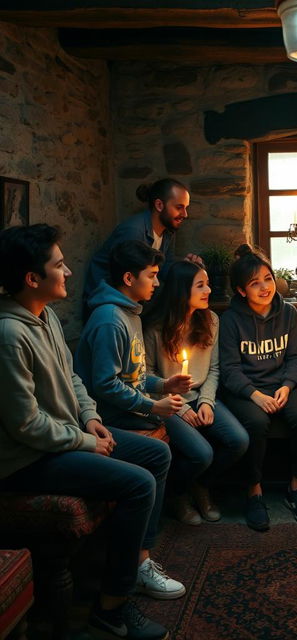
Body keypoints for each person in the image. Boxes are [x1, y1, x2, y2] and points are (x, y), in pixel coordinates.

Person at [0, 225, 181, 640]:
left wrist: (89, 418)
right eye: (59, 265)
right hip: (27, 459)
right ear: (32, 278)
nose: (68, 273)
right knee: (137, 483)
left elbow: (73, 379)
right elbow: (25, 425)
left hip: (66, 435)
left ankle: (136, 563)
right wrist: (87, 442)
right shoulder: (10, 334)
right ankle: (112, 608)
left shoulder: (43, 316)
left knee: (158, 454)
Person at [75, 241, 213, 530]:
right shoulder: (110, 320)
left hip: (135, 404)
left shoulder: (131, 312)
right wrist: (153, 405)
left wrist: (164, 385)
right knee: (184, 452)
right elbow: (106, 385)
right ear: (128, 278)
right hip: (108, 415)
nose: (157, 282)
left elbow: (134, 376)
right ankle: (148, 538)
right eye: (151, 275)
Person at [219, 244, 297, 531]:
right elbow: (230, 370)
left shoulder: (288, 313)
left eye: (268, 279)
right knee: (256, 422)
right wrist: (255, 395)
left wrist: (288, 386)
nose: (264, 287)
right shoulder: (231, 320)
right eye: (254, 283)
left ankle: (296, 488)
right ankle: (254, 492)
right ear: (241, 291)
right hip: (247, 389)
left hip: (282, 383)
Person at [143, 260, 249, 525]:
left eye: (208, 284)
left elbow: (214, 369)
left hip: (202, 396)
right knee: (202, 454)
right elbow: (145, 376)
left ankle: (201, 486)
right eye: (200, 286)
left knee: (238, 440)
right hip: (167, 402)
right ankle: (177, 495)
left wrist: (206, 402)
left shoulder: (211, 320)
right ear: (181, 290)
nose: (208, 291)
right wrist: (181, 407)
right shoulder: (155, 328)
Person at [82, 178, 201, 318]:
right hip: (107, 307)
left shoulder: (168, 230)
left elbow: (164, 266)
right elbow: (123, 281)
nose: (185, 214)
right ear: (159, 205)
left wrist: (183, 267)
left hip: (133, 304)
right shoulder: (133, 232)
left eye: (186, 208)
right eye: (179, 207)